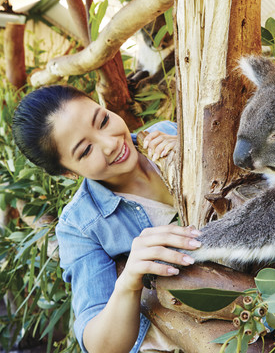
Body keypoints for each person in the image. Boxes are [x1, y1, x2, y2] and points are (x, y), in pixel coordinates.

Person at [12, 85, 201, 353]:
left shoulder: (170, 133)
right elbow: (100, 345)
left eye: (103, 120)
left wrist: (195, 150)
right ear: (68, 173)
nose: (112, 143)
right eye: (86, 151)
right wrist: (130, 280)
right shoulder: (79, 225)